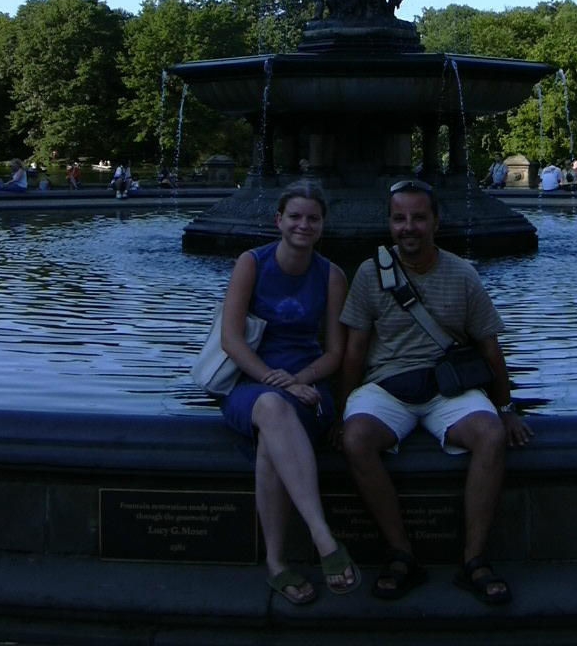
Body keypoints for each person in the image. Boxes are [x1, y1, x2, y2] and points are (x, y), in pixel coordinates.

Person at [336, 179, 532, 604]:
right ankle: (402, 553)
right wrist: (342, 409)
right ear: (389, 223)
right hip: (387, 386)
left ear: (436, 222)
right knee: (356, 440)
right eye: (400, 218)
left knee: (491, 435)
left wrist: (506, 407)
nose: (409, 227)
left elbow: (489, 346)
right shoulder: (371, 273)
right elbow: (354, 351)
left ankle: (474, 559)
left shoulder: (462, 273)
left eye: (419, 218)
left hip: (449, 387)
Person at [220, 180, 359, 604]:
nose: (303, 225)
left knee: (271, 435)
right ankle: (323, 539)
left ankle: (277, 564)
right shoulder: (252, 263)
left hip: (309, 388)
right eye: (295, 216)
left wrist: (301, 380)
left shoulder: (332, 275)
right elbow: (231, 339)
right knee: (269, 406)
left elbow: (336, 352)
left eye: (312, 219)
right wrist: (273, 378)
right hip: (252, 383)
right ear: (278, 219)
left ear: (322, 225)